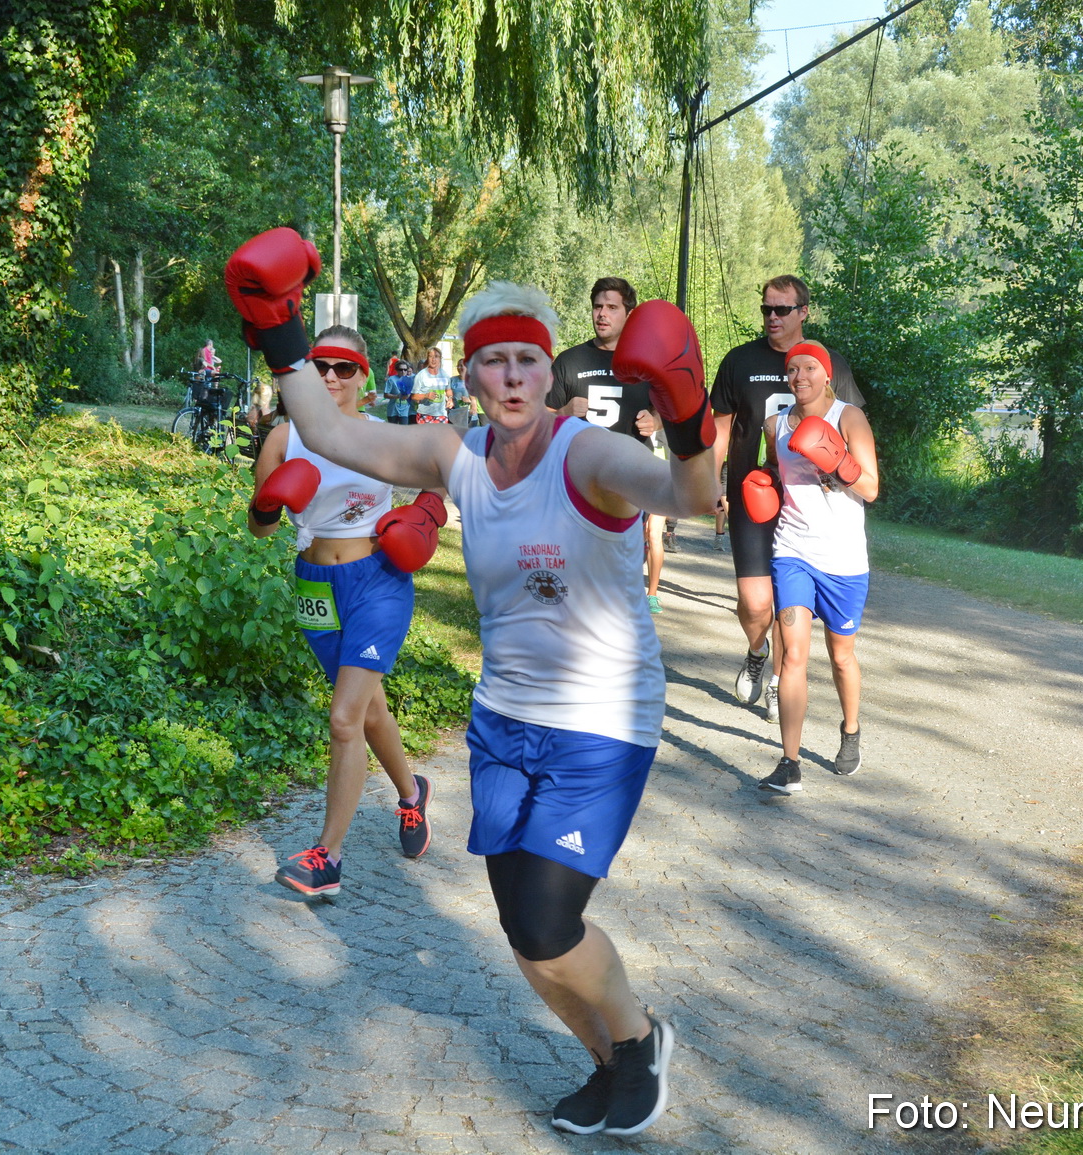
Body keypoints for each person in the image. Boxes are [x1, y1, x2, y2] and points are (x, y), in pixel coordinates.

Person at [224, 227, 720, 1137]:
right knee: (522, 933)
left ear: (550, 372)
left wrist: (689, 415)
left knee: (545, 922)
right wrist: (278, 328)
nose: (514, 377)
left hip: (601, 725)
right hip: (501, 722)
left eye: (530, 358)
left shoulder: (588, 457)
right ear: (474, 377)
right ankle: (608, 1064)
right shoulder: (454, 458)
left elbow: (692, 497)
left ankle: (643, 1038)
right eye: (494, 362)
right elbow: (329, 427)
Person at [247, 324, 445, 897]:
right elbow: (260, 532)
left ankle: (327, 857)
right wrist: (266, 502)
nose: (330, 378)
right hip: (315, 583)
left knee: (342, 718)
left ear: (366, 376)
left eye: (343, 368)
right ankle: (413, 795)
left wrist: (425, 518)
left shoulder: (382, 437)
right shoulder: (284, 437)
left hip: (378, 582)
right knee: (368, 712)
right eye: (320, 366)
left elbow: (444, 483)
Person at [709, 276, 862, 724]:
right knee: (755, 603)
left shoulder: (831, 363)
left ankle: (779, 683)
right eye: (766, 310)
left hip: (807, 507)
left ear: (803, 313)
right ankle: (757, 651)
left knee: (785, 602)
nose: (772, 318)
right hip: (753, 495)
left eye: (782, 310)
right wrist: (714, 484)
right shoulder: (739, 361)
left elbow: (850, 427)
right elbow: (721, 428)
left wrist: (841, 475)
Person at [741, 342, 878, 792]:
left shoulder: (849, 417)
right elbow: (776, 475)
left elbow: (872, 488)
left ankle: (851, 730)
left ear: (827, 375)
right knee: (794, 655)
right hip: (792, 551)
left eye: (809, 368)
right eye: (792, 368)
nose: (799, 375)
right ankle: (789, 763)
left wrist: (838, 462)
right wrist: (764, 486)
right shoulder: (774, 424)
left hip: (843, 560)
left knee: (841, 656)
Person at [547, 277, 670, 613]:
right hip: (576, 480)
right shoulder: (569, 362)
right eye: (598, 307)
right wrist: (561, 412)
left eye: (612, 307)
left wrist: (656, 420)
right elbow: (537, 421)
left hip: (630, 481)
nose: (602, 314)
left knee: (621, 567)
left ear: (628, 315)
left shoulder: (648, 363)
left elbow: (674, 410)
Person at [412, 346, 452, 424]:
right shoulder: (421, 375)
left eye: (436, 356)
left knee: (440, 436)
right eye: (431, 356)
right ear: (427, 358)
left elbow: (448, 390)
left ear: (440, 358)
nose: (433, 359)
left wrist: (450, 398)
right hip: (425, 414)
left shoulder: (445, 375)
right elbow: (413, 396)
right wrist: (426, 396)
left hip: (441, 414)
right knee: (426, 436)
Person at [383, 358, 414, 424]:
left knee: (403, 431)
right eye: (401, 369)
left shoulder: (410, 380)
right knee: (393, 431)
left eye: (405, 370)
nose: (403, 371)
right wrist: (397, 396)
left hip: (405, 411)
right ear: (397, 370)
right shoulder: (391, 380)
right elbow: (385, 395)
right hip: (393, 410)